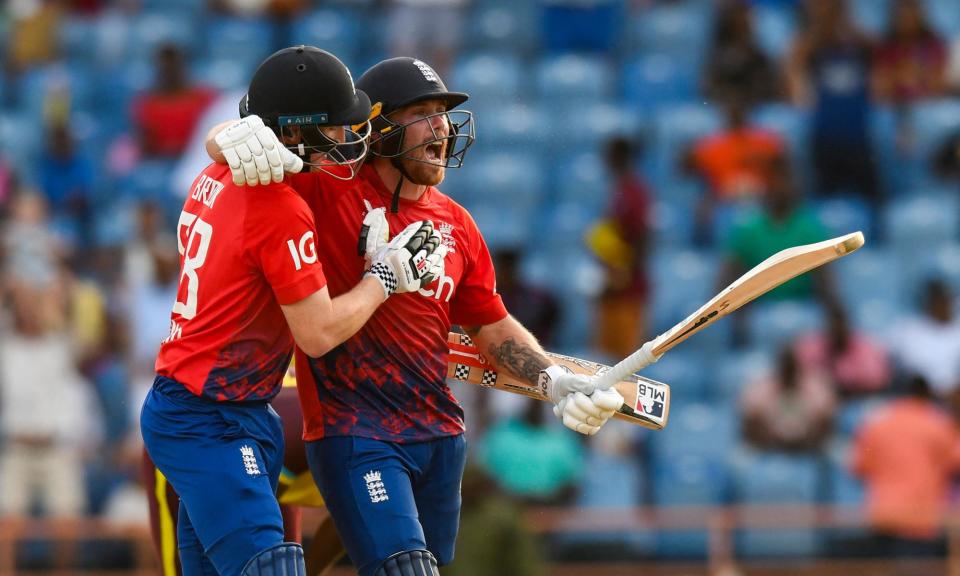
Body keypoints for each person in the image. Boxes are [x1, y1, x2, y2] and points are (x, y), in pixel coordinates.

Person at [205, 56, 624, 576]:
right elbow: (238, 154)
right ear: (376, 128)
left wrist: (552, 378)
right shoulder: (326, 189)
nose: (441, 127)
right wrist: (225, 137)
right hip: (353, 430)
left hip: (440, 436)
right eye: (422, 112)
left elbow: (490, 325)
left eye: (442, 114)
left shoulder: (458, 225)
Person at [140, 46, 447, 576]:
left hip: (220, 408)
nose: (346, 139)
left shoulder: (214, 173)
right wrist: (383, 280)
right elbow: (319, 334)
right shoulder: (279, 206)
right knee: (274, 566)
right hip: (211, 417)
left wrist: (226, 135)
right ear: (294, 135)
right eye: (333, 128)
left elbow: (227, 148)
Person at [851, 375, 960, 558]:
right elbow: (955, 462)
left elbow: (858, 466)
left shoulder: (875, 423)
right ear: (925, 394)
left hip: (883, 516)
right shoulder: (937, 422)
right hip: (922, 520)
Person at [741, 344, 836, 452]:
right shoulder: (763, 387)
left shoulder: (815, 386)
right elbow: (750, 413)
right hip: (770, 443)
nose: (789, 372)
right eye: (785, 367)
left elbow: (827, 413)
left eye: (791, 367)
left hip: (808, 444)